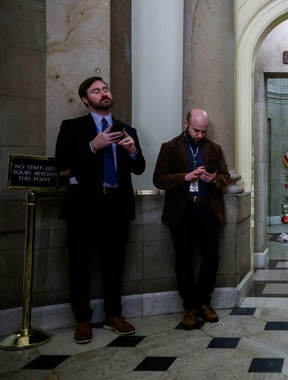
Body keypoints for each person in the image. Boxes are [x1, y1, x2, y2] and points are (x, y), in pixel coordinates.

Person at [55, 76, 146, 344]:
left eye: (105, 88)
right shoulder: (73, 127)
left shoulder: (126, 129)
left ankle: (113, 314)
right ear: (86, 99)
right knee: (80, 264)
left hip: (117, 206)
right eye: (96, 91)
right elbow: (61, 162)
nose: (103, 93)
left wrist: (131, 151)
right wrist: (93, 146)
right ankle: (82, 319)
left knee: (114, 264)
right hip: (83, 206)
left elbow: (139, 167)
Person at [153, 108, 230, 329]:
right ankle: (190, 307)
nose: (200, 135)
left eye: (203, 131)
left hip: (208, 210)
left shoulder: (214, 149)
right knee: (184, 260)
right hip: (182, 212)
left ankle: (204, 302)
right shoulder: (169, 148)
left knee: (211, 257)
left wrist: (214, 180)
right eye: (196, 130)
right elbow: (158, 179)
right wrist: (185, 177)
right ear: (186, 123)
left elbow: (224, 176)